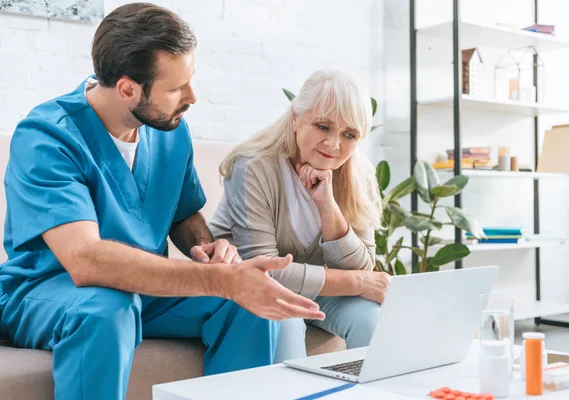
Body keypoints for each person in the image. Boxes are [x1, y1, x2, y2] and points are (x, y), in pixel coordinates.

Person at [0, 4, 324, 400]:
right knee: (106, 308)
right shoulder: (46, 138)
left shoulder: (171, 130)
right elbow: (85, 261)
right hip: (48, 291)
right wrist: (216, 280)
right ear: (127, 88)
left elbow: (184, 213)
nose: (192, 96)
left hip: (144, 289)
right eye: (175, 89)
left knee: (244, 303)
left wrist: (206, 249)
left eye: (190, 81)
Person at [209, 69, 391, 363]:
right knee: (286, 321)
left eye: (348, 134)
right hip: (256, 290)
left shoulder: (360, 173)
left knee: (372, 318)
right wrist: (358, 283)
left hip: (321, 295)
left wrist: (327, 206)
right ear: (295, 118)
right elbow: (264, 269)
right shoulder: (253, 167)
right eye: (322, 126)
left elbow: (363, 265)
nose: (334, 144)